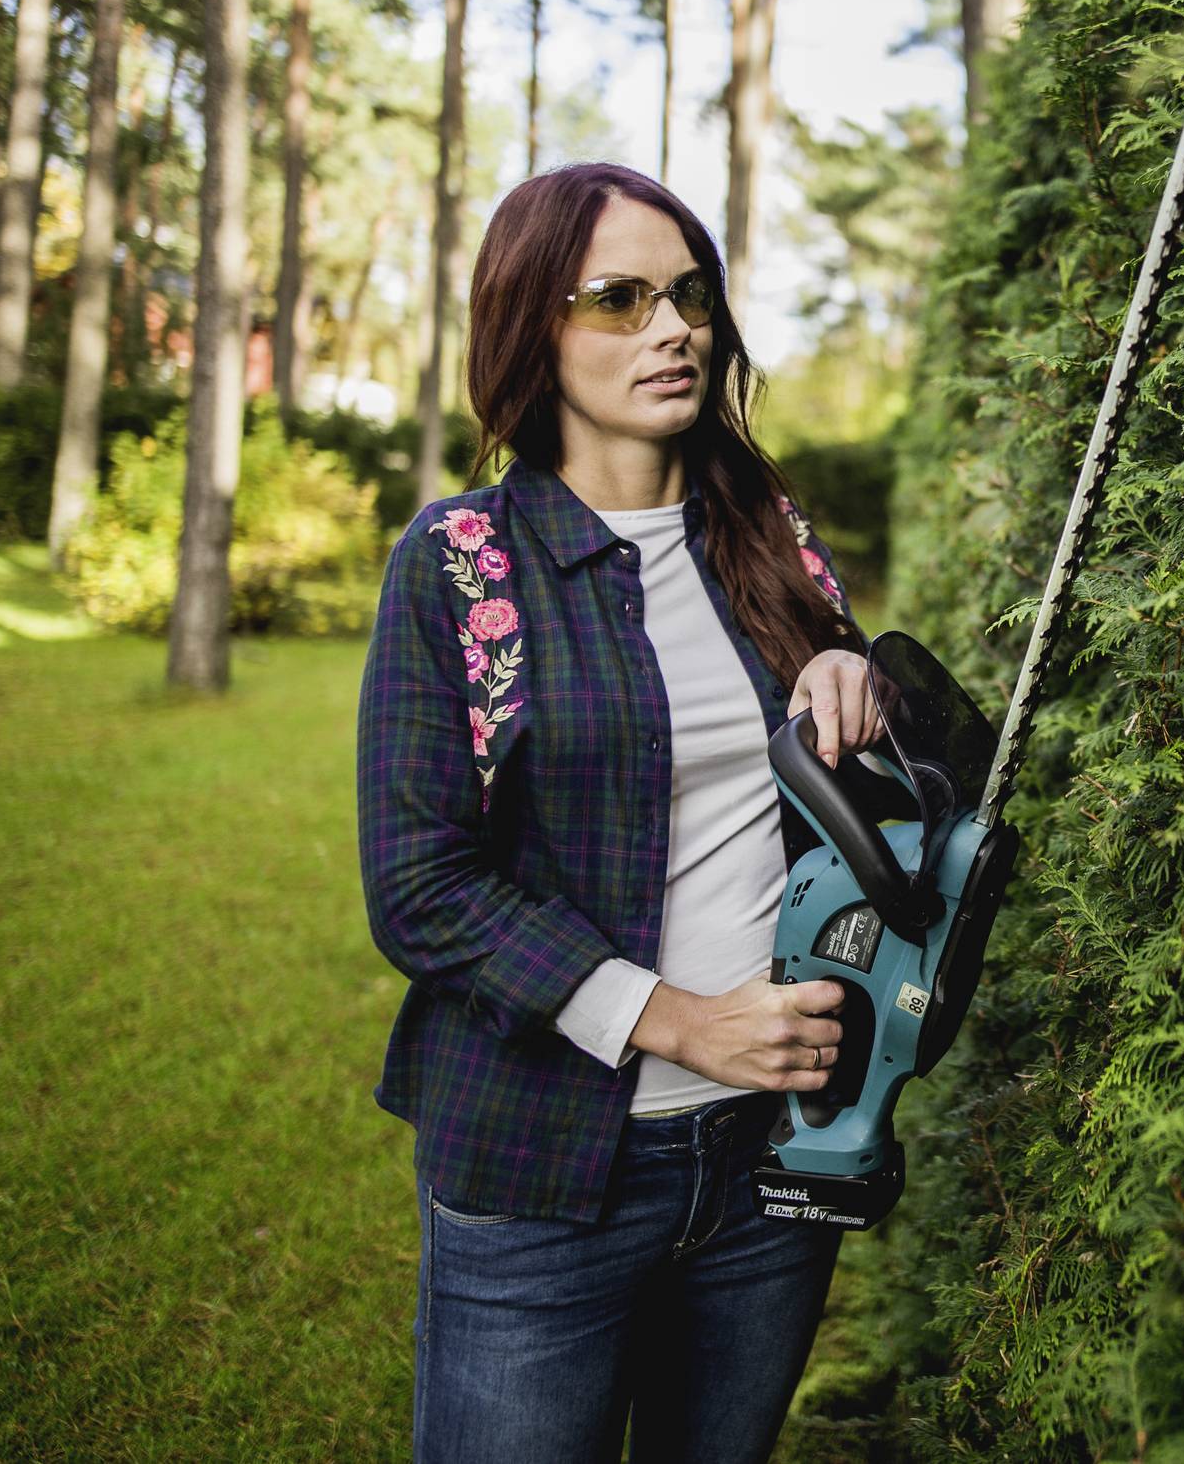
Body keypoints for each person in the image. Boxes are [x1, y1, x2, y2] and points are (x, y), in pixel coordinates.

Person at [355, 162, 885, 1463]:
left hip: (772, 1161)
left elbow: (872, 806)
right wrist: (684, 1023)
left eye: (689, 295)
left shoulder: (765, 534)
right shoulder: (459, 563)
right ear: (534, 323)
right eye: (621, 298)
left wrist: (853, 670)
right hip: (544, 1174)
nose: (673, 328)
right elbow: (422, 887)